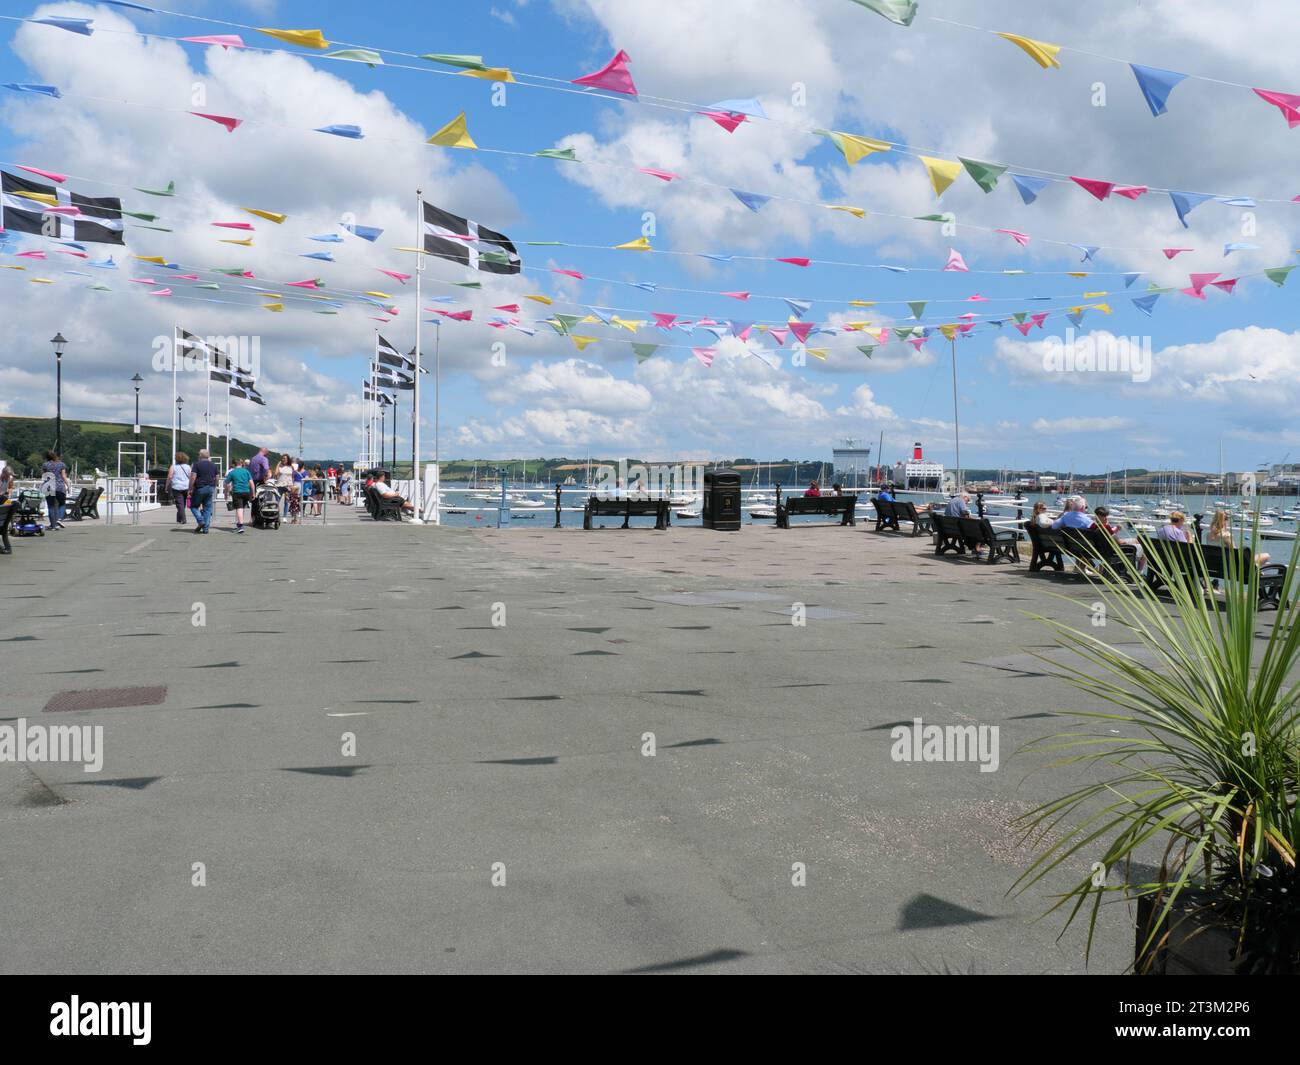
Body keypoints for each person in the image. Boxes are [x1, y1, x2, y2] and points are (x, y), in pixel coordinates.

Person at [188, 448, 219, 533]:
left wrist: (190, 488)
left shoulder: (196, 464)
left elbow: (193, 477)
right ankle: (206, 529)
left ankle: (200, 520)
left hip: (200, 488)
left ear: (200, 456)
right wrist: (214, 485)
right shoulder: (213, 465)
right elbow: (217, 477)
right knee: (207, 508)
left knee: (193, 506)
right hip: (210, 488)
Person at [40, 449, 69, 531]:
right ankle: (59, 519)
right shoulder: (61, 464)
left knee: (51, 507)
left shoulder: (45, 465)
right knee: (62, 504)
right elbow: (63, 476)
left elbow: (43, 476)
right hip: (60, 486)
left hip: (49, 486)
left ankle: (53, 526)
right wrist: (68, 486)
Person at [223, 459, 254, 534]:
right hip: (246, 491)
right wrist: (253, 493)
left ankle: (240, 526)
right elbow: (251, 483)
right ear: (242, 464)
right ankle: (239, 523)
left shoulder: (232, 472)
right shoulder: (246, 471)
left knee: (239, 509)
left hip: (237, 492)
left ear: (233, 465)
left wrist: (226, 493)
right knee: (242, 508)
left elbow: (226, 484)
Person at [167, 451, 192, 524]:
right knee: (182, 504)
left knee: (179, 504)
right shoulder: (188, 467)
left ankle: (183, 519)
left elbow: (170, 477)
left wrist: (167, 486)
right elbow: (191, 477)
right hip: (186, 487)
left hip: (176, 487)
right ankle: (179, 519)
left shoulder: (173, 466)